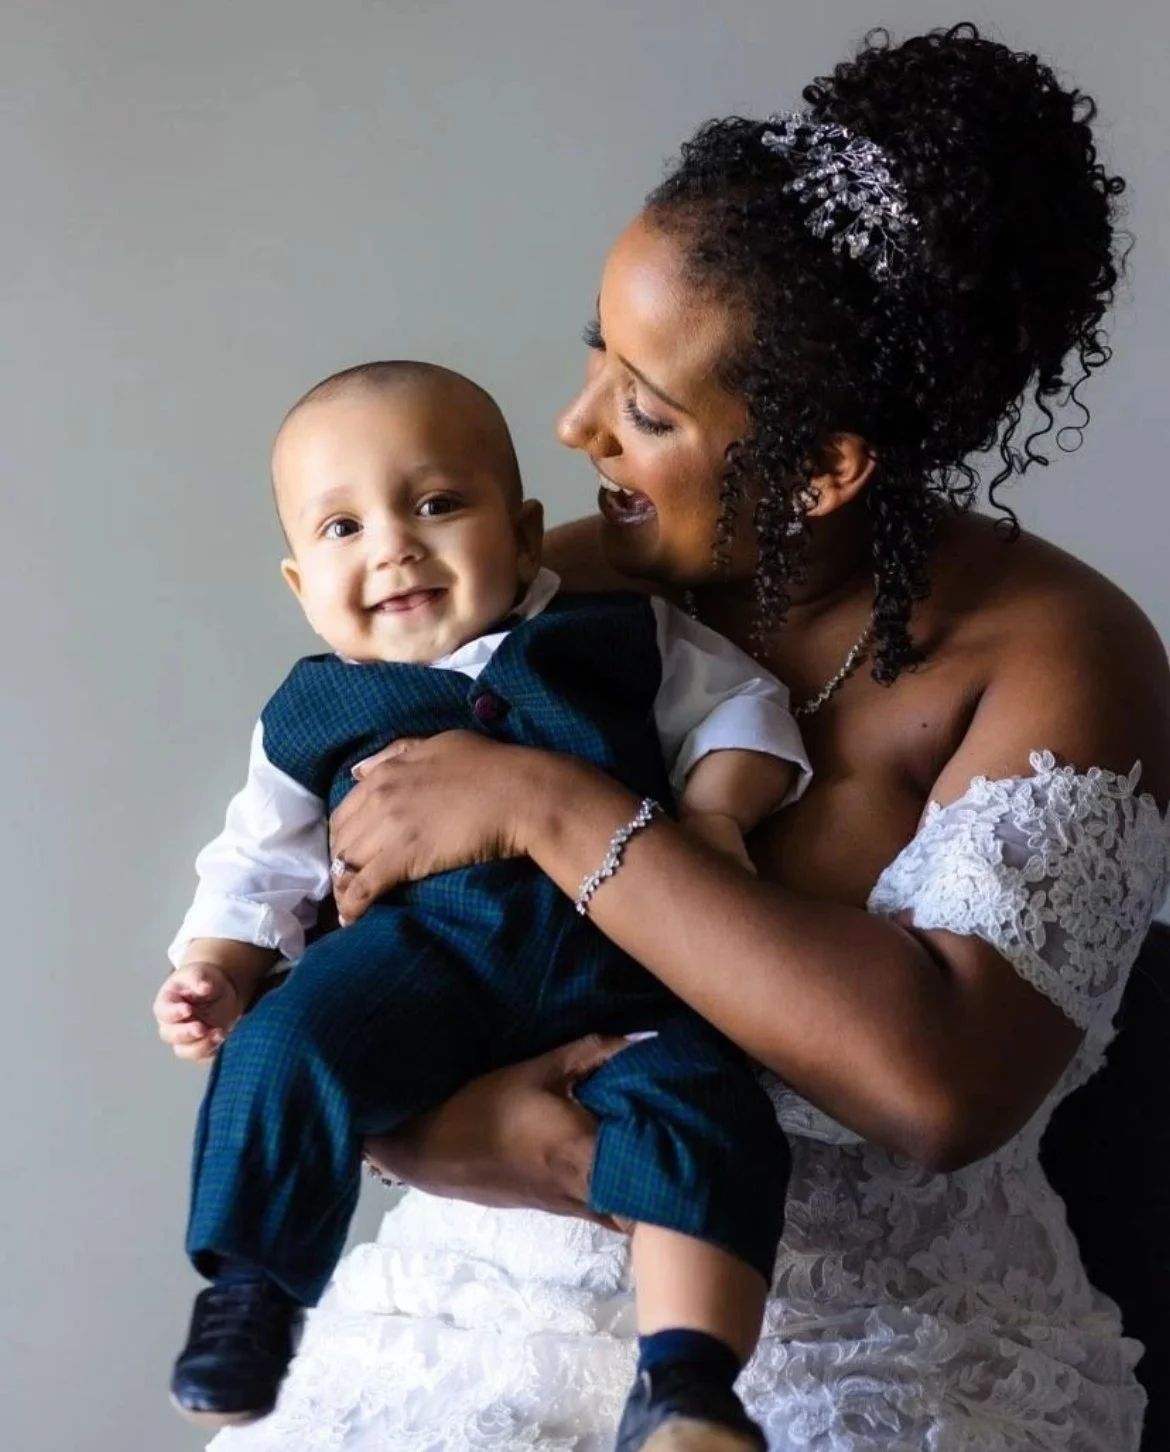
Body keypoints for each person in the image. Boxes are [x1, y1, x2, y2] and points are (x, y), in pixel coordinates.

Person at [204, 24, 1170, 1452]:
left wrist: (554, 810)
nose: (573, 423)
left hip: (870, 1349)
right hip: (478, 1300)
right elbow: (321, 960)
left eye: (645, 408)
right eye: (599, 353)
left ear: (826, 468)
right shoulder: (551, 590)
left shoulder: (1055, 655)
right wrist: (453, 1139)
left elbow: (938, 1086)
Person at [156, 359, 816, 1448]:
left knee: (707, 1108)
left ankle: (690, 1384)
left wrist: (712, 822)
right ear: (297, 585)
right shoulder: (312, 710)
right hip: (418, 968)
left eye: (436, 505)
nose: (394, 548)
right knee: (279, 1045)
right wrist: (221, 969)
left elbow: (750, 712)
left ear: (520, 532)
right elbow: (256, 864)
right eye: (342, 530)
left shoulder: (620, 635)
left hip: (620, 957)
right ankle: (252, 1295)